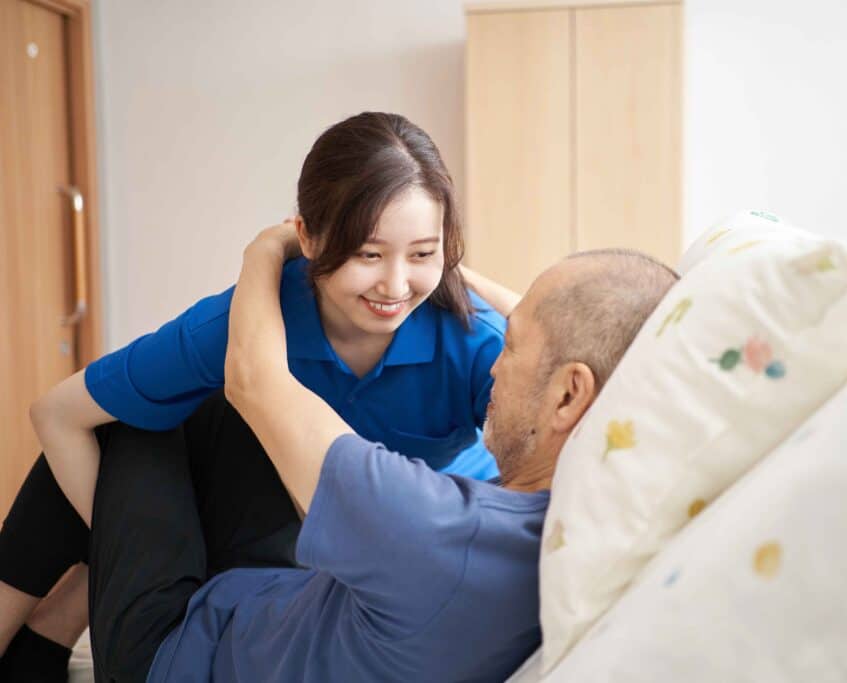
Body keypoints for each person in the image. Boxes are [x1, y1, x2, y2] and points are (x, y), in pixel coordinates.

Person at [0, 112, 517, 677]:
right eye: (369, 254)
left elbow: (570, 369)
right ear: (309, 238)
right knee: (133, 417)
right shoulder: (249, 320)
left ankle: (41, 635)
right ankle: (39, 632)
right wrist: (123, 551)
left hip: (367, 568)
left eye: (423, 254)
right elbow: (57, 414)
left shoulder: (474, 343)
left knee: (148, 423)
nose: (395, 287)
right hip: (277, 541)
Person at [76, 224, 678, 681]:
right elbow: (605, 336)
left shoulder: (435, 531)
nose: (493, 362)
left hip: (178, 650)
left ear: (569, 394)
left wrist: (266, 249)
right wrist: (433, 270)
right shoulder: (596, 517)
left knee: (142, 414)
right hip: (279, 603)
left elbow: (252, 380)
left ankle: (41, 641)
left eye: (513, 345)